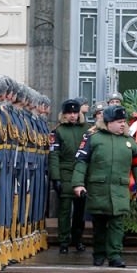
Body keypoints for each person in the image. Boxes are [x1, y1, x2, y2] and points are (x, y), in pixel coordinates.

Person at [71, 105, 137, 268]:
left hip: (120, 190)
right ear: (108, 122)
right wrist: (78, 184)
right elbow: (81, 163)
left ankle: (115, 256)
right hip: (99, 189)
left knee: (117, 224)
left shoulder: (129, 142)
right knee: (99, 224)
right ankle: (99, 254)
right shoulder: (94, 138)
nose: (122, 124)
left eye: (123, 121)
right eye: (119, 122)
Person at [48, 99, 90, 253]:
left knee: (80, 211)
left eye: (75, 112)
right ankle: (64, 241)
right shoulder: (58, 131)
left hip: (83, 174)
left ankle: (78, 239)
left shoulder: (87, 129)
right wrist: (56, 178)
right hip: (65, 172)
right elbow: (54, 155)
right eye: (69, 113)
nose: (72, 115)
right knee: (65, 210)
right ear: (64, 114)